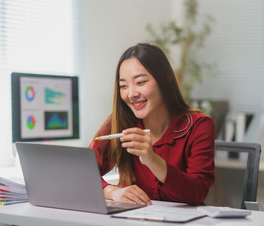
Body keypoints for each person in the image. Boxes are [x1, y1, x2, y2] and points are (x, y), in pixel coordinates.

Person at [89, 43, 215, 206]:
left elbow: (197, 192)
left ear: (165, 79)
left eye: (140, 82)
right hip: (134, 224)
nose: (131, 94)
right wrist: (113, 192)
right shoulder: (120, 123)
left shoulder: (199, 126)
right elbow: (82, 172)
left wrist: (151, 159)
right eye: (123, 86)